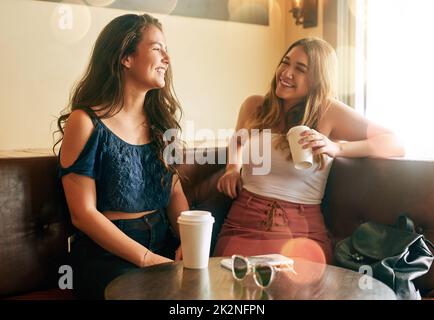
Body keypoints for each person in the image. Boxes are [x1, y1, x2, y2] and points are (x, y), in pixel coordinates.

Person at [214, 37, 405, 264]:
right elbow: (237, 140)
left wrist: (337, 147)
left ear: (317, 79)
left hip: (299, 233)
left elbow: (394, 143)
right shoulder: (254, 106)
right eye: (285, 63)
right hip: (241, 223)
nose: (286, 73)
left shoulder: (329, 111)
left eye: (300, 69)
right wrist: (232, 168)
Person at [54, 13, 189, 299]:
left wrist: (188, 240)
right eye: (157, 49)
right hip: (107, 254)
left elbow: (174, 191)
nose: (167, 58)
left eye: (167, 50)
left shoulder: (161, 124)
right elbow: (83, 214)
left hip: (162, 242)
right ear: (126, 57)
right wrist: (148, 260)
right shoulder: (85, 122)